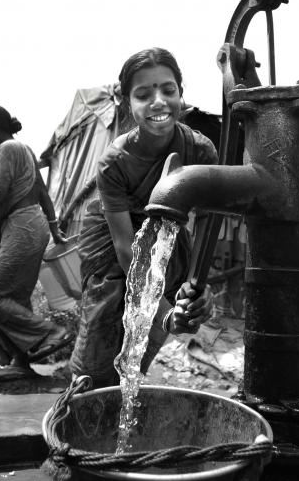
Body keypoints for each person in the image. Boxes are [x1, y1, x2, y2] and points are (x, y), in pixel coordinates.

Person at [69, 48, 216, 388]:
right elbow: (124, 248)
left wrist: (197, 286)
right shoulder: (114, 162)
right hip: (111, 245)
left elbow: (207, 223)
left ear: (181, 91)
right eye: (144, 94)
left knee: (148, 340)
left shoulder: (200, 151)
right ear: (126, 102)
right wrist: (163, 311)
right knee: (100, 340)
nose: (159, 101)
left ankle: (127, 386)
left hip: (168, 233)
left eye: (168, 90)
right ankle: (86, 394)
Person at [0, 105, 73, 382]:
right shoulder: (27, 150)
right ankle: (20, 363)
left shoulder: (7, 148)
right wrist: (54, 230)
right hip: (36, 224)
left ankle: (50, 332)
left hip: (21, 225)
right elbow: (43, 193)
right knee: (16, 298)